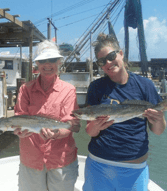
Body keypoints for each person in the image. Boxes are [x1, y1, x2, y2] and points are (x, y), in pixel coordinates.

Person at [83, 33, 166, 191]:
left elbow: (158, 131)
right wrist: (97, 126)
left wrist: (159, 119)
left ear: (120, 54)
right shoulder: (96, 87)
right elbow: (90, 131)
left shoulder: (145, 85)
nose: (108, 63)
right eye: (102, 61)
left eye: (111, 56)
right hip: (99, 166)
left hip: (135, 170)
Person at [14, 40, 80, 191]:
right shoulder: (25, 89)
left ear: (59, 62)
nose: (47, 64)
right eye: (43, 60)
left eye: (52, 60)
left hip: (61, 160)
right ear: (37, 63)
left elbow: (72, 123)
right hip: (31, 159)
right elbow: (19, 117)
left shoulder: (69, 90)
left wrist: (57, 133)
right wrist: (19, 131)